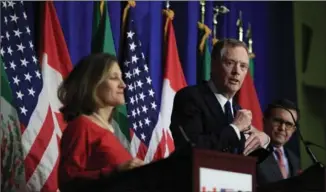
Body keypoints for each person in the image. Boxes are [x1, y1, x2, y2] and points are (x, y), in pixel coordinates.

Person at [170, 38, 270, 158]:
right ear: (213, 65)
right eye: (230, 63)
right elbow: (192, 148)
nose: (236, 71)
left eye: (243, 66)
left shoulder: (237, 109)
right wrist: (235, 128)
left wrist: (265, 139)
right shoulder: (191, 97)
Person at [57, 53, 144, 191]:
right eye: (114, 78)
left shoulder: (109, 130)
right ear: (93, 83)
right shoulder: (82, 126)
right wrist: (115, 171)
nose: (123, 85)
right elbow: (68, 181)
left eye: (121, 78)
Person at [256, 99, 300, 186]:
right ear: (265, 121)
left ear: (293, 130)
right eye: (277, 121)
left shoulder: (294, 160)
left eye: (288, 124)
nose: (282, 128)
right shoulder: (254, 153)